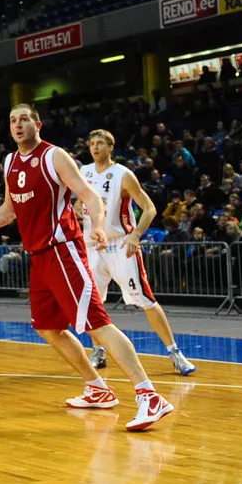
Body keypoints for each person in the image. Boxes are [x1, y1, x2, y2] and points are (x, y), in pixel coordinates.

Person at [0, 104, 173, 431]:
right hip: (38, 256)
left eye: (24, 119)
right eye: (12, 120)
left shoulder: (55, 157)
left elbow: (91, 196)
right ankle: (96, 387)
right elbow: (10, 208)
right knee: (47, 327)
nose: (18, 124)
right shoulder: (9, 162)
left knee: (96, 322)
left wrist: (96, 224)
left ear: (37, 124)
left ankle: (149, 395)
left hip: (63, 250)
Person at [78, 130, 196, 376]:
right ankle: (98, 350)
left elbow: (150, 208)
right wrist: (80, 211)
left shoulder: (123, 174)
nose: (95, 147)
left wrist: (135, 235)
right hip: (93, 245)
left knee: (145, 299)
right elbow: (79, 205)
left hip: (120, 245)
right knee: (92, 302)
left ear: (111, 147)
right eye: (91, 144)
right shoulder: (84, 172)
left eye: (100, 143)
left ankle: (175, 353)